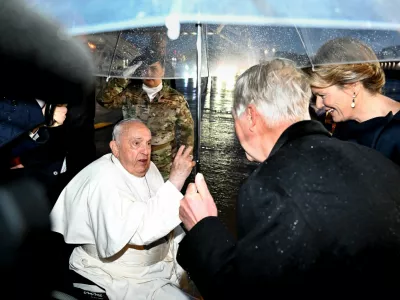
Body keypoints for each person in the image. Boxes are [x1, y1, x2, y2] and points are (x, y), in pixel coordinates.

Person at [177, 59, 400, 299]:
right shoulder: (377, 162)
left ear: (251, 116)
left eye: (235, 117)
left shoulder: (269, 186)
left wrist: (203, 226)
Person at [50, 118, 196, 300]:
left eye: (149, 143)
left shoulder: (149, 168)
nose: (145, 151)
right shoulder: (103, 179)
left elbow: (165, 220)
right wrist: (175, 181)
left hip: (157, 269)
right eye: (136, 143)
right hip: (119, 275)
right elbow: (141, 230)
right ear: (115, 148)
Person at [96, 52, 194, 180]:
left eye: (153, 69)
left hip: (164, 162)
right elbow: (104, 100)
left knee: (163, 196)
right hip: (132, 159)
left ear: (163, 71)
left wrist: (184, 160)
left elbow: (187, 132)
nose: (148, 73)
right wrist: (123, 77)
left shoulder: (176, 99)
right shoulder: (130, 93)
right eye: (143, 69)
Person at [305, 37, 400, 165]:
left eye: (322, 95)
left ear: (352, 86)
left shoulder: (395, 134)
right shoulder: (345, 123)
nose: (318, 104)